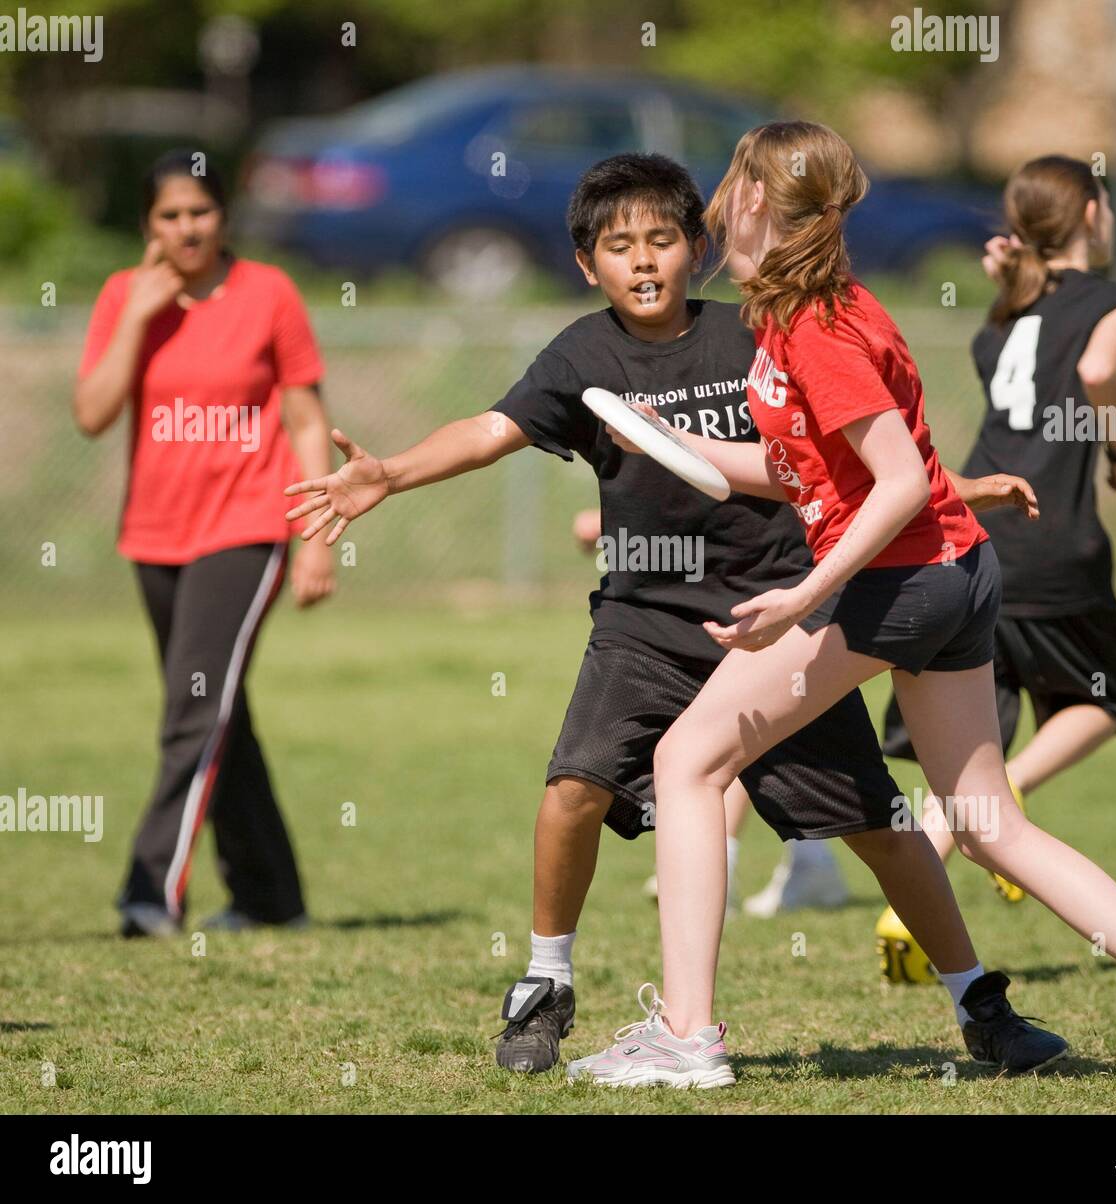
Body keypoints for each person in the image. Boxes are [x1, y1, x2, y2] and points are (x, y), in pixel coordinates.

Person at [285, 152, 1061, 1076]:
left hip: (776, 618)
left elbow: (858, 461)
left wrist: (963, 490)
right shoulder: (581, 355)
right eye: (619, 247)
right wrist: (393, 473)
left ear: (699, 247)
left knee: (880, 825)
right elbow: (491, 431)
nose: (643, 261)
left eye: (662, 239)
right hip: (643, 618)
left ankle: (979, 1002)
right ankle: (545, 983)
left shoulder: (757, 335)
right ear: (587, 263)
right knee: (574, 787)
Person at [569, 123, 1116, 1088]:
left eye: (732, 184)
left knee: (687, 759)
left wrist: (803, 594)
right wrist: (667, 441)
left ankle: (686, 1038)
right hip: (955, 573)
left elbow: (896, 479)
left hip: (896, 581)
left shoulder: (817, 323)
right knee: (989, 822)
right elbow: (800, 466)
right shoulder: (799, 312)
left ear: (765, 205)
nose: (718, 203)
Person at [877, 156, 1116, 962]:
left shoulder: (1005, 314)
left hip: (972, 535)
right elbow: (1100, 367)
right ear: (1095, 214)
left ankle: (908, 902)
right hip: (1054, 538)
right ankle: (1018, 798)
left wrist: (1009, 284)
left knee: (967, 750)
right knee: (1100, 705)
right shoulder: (1114, 301)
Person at [75, 149, 334, 937]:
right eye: (169, 215)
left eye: (201, 211)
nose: (187, 228)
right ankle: (270, 897)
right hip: (155, 535)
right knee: (217, 708)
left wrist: (316, 534)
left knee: (193, 708)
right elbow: (91, 413)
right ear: (148, 225)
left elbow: (306, 419)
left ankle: (149, 892)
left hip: (246, 527)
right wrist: (139, 312)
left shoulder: (269, 293)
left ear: (224, 215)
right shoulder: (125, 295)